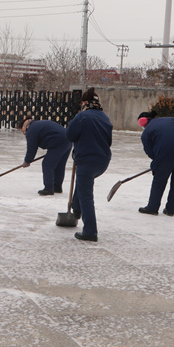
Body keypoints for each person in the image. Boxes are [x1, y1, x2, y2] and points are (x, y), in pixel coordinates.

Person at [65, 87, 112, 242]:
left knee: (86, 195)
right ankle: (77, 209)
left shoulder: (82, 116)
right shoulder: (105, 117)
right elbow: (109, 140)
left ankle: (90, 232)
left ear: (84, 103)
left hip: (86, 160)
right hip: (102, 161)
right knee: (82, 183)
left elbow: (69, 135)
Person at [18, 118, 72, 195]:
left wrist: (27, 161)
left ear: (24, 127)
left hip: (58, 142)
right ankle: (57, 187)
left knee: (47, 164)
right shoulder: (37, 125)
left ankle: (48, 189)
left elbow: (32, 148)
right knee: (59, 165)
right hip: (67, 140)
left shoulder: (31, 130)